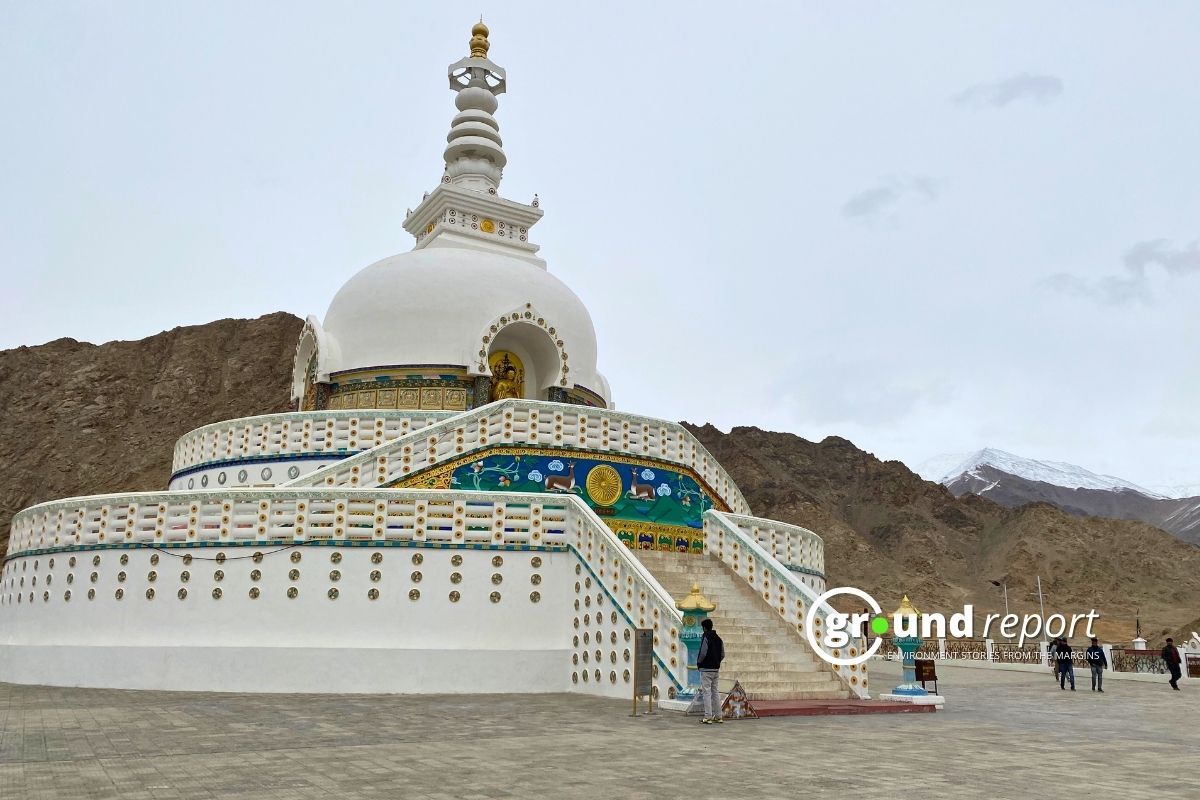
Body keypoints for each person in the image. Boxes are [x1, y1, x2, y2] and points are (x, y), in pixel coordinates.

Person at [697, 618, 725, 724]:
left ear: (704, 627)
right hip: (715, 669)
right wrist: (716, 661)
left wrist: (699, 663)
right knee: (715, 692)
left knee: (707, 692)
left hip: (706, 669)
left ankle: (708, 716)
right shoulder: (719, 639)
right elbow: (722, 654)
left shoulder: (706, 636)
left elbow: (703, 652)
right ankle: (718, 716)